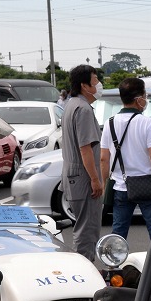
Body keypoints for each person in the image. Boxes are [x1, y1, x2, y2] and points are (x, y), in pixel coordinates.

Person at [99, 77, 151, 251]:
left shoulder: (110, 123)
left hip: (120, 186)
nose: (145, 100)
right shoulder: (148, 123)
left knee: (118, 233)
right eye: (145, 95)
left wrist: (103, 185)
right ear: (139, 99)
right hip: (147, 186)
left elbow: (104, 158)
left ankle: (114, 269)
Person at [61, 64, 104, 262]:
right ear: (84, 86)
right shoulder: (84, 109)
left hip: (72, 175)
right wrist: (95, 179)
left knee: (82, 226)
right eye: (95, 81)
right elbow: (85, 148)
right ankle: (85, 274)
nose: (98, 85)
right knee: (88, 229)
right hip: (83, 178)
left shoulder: (70, 105)